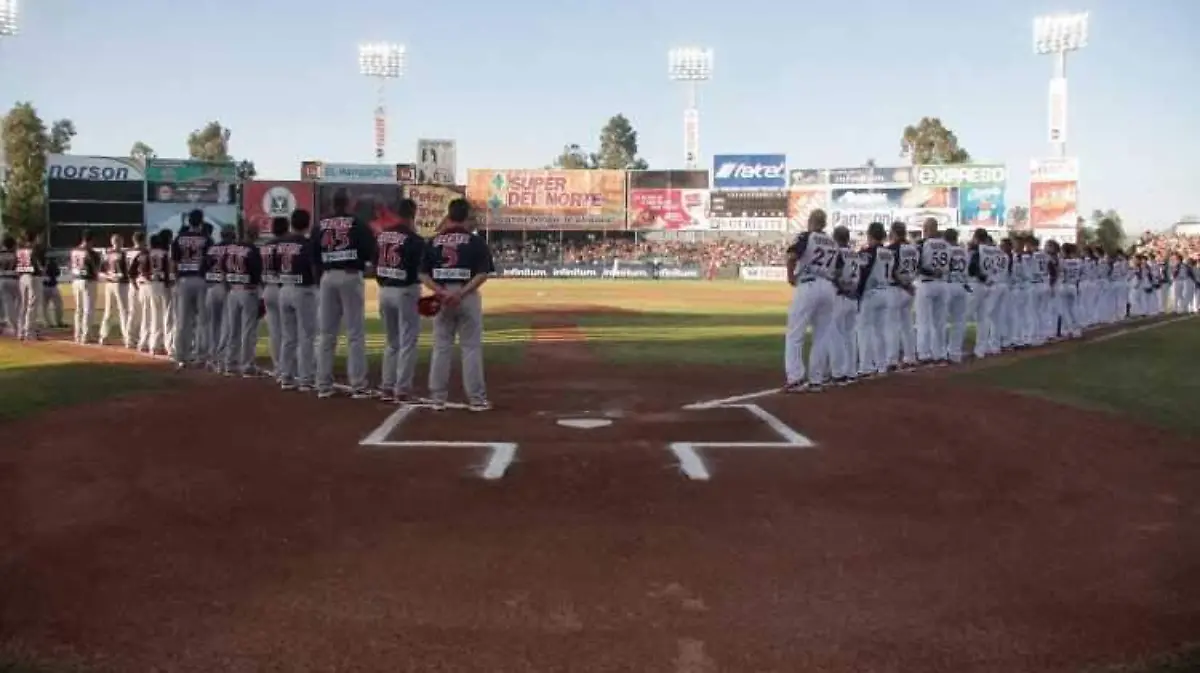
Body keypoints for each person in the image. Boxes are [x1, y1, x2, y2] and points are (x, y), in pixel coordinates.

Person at [419, 198, 495, 410]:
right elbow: (482, 274)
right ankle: (476, 399)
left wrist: (441, 292)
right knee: (470, 347)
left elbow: (422, 274)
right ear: (466, 216)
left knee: (441, 347)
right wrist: (460, 293)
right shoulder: (475, 241)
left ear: (449, 215)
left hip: (442, 296)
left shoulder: (434, 241)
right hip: (466, 295)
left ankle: (437, 398)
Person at [311, 189, 376, 398]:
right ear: (349, 203)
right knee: (355, 333)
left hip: (327, 276)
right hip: (350, 275)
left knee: (326, 334)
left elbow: (313, 256)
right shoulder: (357, 223)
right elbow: (371, 251)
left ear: (332, 203)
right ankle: (358, 384)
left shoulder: (320, 224)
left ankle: (323, 384)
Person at [374, 198, 427, 402]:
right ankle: (402, 388)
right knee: (408, 342)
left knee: (392, 342)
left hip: (385, 290)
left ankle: (387, 386)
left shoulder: (382, 236)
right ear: (413, 214)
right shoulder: (415, 239)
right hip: (406, 290)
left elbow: (375, 264)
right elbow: (420, 270)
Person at [782, 209, 838, 393]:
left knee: (795, 333)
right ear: (825, 223)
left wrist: (790, 276)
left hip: (808, 284)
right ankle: (816, 379)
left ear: (811, 221)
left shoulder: (806, 236)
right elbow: (838, 268)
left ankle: (796, 377)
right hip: (828, 287)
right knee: (822, 335)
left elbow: (792, 256)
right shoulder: (833, 242)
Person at [277, 209, 319, 392]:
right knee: (306, 336)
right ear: (307, 224)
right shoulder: (307, 243)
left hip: (284, 288)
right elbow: (313, 267)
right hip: (303, 290)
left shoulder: (281, 243)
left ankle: (286, 376)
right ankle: (305, 378)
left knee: (288, 337)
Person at [170, 210, 211, 368]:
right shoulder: (206, 238)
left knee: (183, 320)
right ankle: (201, 355)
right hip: (201, 280)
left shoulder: (179, 238)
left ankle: (181, 355)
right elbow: (210, 261)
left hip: (183, 280)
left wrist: (176, 279)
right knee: (203, 320)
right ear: (201, 221)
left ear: (189, 221)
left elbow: (174, 262)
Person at [221, 230, 263, 377]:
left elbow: (223, 269)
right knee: (248, 330)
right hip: (248, 291)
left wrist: (228, 287)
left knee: (233, 329)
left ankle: (230, 363)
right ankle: (247, 365)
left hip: (233, 290)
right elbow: (257, 273)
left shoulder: (231, 249)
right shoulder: (252, 249)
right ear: (254, 236)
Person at [854, 222, 893, 378]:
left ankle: (866, 366)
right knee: (880, 331)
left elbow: (861, 274)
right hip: (886, 291)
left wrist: (857, 294)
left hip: (870, 293)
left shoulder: (868, 252)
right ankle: (881, 365)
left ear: (870, 235)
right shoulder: (889, 252)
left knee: (864, 330)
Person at [826, 225, 862, 385]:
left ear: (835, 238)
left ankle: (838, 372)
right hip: (853, 297)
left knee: (835, 335)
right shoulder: (855, 254)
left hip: (840, 296)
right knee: (850, 336)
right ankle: (851, 371)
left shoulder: (837, 253)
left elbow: (835, 274)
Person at [913, 217, 949, 365]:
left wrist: (931, 272)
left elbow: (917, 266)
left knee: (923, 321)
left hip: (926, 283)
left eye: (925, 227)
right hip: (942, 284)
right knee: (939, 322)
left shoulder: (922, 244)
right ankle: (939, 353)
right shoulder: (946, 244)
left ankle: (924, 354)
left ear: (927, 229)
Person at [259, 217, 289, 382]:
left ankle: (278, 368)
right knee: (289, 332)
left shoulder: (265, 246)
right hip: (281, 287)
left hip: (267, 289)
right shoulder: (286, 245)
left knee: (275, 332)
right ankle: (289, 368)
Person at [886, 222, 919, 369]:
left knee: (892, 325)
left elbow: (891, 271)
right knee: (907, 325)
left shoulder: (892, 249)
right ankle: (910, 356)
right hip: (909, 288)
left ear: (894, 232)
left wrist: (904, 284)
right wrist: (909, 284)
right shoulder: (914, 248)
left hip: (896, 289)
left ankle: (892, 359)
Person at [203, 227, 234, 372]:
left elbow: (202, 269)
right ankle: (221, 358)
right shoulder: (233, 248)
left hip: (211, 287)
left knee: (212, 324)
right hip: (225, 287)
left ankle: (211, 356)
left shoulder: (212, 249)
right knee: (226, 325)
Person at [941, 228, 970, 363]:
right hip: (962, 285)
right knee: (959, 321)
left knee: (940, 320)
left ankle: (940, 352)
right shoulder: (964, 251)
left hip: (948, 285)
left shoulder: (946, 249)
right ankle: (955, 352)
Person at [98, 234, 132, 347]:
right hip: (120, 284)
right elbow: (127, 271)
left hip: (109, 283)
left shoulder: (107, 254)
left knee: (109, 311)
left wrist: (109, 276)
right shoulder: (123, 254)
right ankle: (127, 337)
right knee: (124, 311)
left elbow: (101, 272)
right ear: (121, 242)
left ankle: (103, 336)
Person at [68, 229, 101, 344]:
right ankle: (86, 335)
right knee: (88, 309)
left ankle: (77, 334)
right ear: (91, 240)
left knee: (78, 309)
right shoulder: (91, 253)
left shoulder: (74, 251)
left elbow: (70, 265)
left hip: (76, 279)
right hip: (88, 280)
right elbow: (96, 269)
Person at [15, 232, 47, 341]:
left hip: (22, 276)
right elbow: (39, 264)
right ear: (35, 238)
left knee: (23, 305)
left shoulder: (20, 249)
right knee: (32, 305)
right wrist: (42, 270)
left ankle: (21, 331)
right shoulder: (35, 249)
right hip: (33, 277)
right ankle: (29, 332)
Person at [1058, 243, 1083, 338]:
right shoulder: (1078, 261)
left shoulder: (1062, 262)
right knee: (1073, 309)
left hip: (1065, 285)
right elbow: (1080, 273)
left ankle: (1067, 330)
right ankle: (1077, 330)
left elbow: (1060, 273)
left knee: (1064, 310)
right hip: (1074, 286)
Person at [0, 236, 19, 336]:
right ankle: (19, 325)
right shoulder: (17, 254)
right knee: (19, 303)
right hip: (15, 279)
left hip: (2, 279)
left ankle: (13, 326)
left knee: (8, 305)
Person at [42, 253, 65, 330]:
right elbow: (57, 273)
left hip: (45, 286)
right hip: (51, 286)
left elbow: (57, 273)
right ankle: (57, 322)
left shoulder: (40, 263)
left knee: (45, 306)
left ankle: (48, 323)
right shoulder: (52, 264)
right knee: (58, 305)